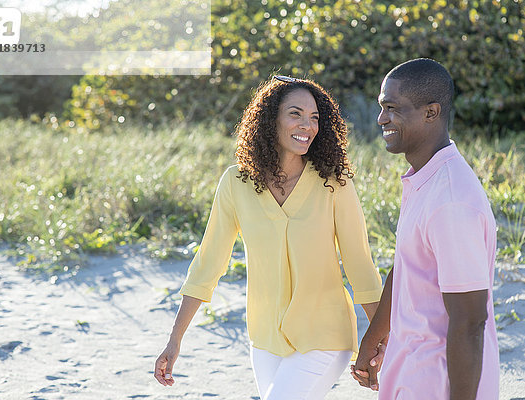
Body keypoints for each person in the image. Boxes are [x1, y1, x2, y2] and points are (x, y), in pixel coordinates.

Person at [154, 75, 383, 399]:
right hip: (264, 341)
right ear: (269, 119)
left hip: (324, 336)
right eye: (295, 114)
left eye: (315, 117)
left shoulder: (334, 183)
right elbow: (209, 263)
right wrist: (175, 339)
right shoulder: (235, 182)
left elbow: (361, 266)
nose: (308, 125)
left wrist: (378, 342)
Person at [351, 58, 499, 399]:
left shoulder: (451, 201)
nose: (381, 118)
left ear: (431, 112)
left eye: (392, 108)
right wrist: (373, 339)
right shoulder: (424, 178)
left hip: (438, 385)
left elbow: (470, 322)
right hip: (407, 375)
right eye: (381, 107)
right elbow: (406, 267)